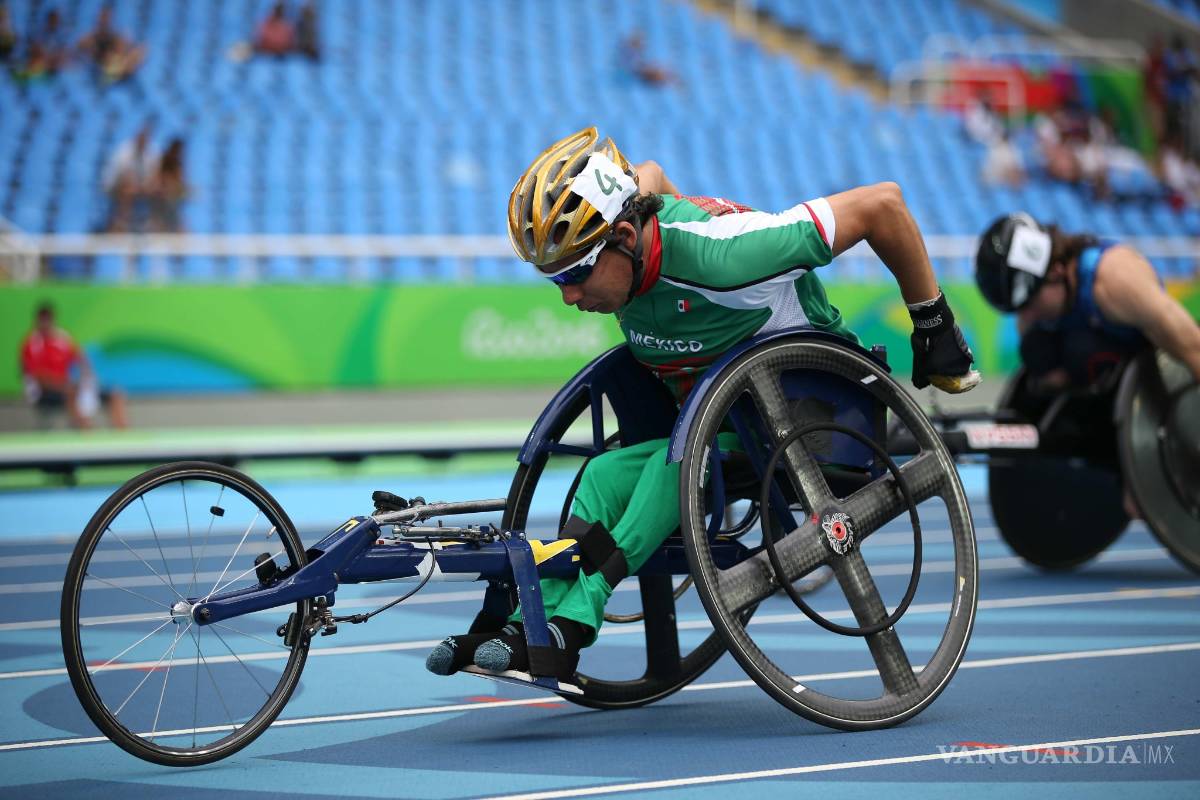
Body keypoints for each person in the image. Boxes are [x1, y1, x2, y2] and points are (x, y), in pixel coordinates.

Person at [424, 126, 981, 684]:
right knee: (602, 476)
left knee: (675, 464)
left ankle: (579, 613)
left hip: (814, 420)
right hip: (725, 426)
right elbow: (650, 175)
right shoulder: (629, 238)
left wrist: (933, 324)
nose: (569, 296)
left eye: (576, 273)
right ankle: (526, 625)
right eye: (555, 280)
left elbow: (882, 205)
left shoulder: (727, 257)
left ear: (625, 236)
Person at [975, 213, 1200, 395]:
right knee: (1035, 347)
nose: (1026, 316)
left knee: (1080, 349)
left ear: (1056, 271)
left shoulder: (1115, 278)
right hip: (1099, 389)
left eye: (1030, 303)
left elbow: (1194, 347)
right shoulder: (1035, 311)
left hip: (1153, 376)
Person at [20, 302, 128, 430]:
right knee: (72, 393)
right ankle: (85, 433)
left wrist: (87, 377)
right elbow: (38, 376)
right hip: (45, 392)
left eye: (48, 319)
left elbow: (81, 360)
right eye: (43, 320)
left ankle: (122, 433)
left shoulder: (62, 338)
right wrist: (65, 385)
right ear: (37, 321)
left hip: (69, 386)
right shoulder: (32, 343)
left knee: (115, 394)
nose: (45, 323)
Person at [101, 125, 157, 232]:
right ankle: (121, 223)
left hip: (140, 188)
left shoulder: (151, 153)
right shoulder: (124, 152)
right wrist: (135, 186)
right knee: (128, 189)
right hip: (115, 187)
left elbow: (154, 175)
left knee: (157, 190)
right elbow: (120, 177)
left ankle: (154, 226)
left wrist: (146, 186)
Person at [77, 5, 145, 84]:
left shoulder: (116, 36)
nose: (104, 20)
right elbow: (81, 48)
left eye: (107, 18)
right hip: (104, 72)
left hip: (117, 70)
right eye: (102, 17)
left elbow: (132, 50)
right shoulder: (90, 38)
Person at [148, 137, 188, 232]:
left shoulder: (178, 165)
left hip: (171, 198)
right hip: (159, 196)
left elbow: (180, 183)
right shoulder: (162, 161)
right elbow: (156, 180)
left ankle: (175, 228)